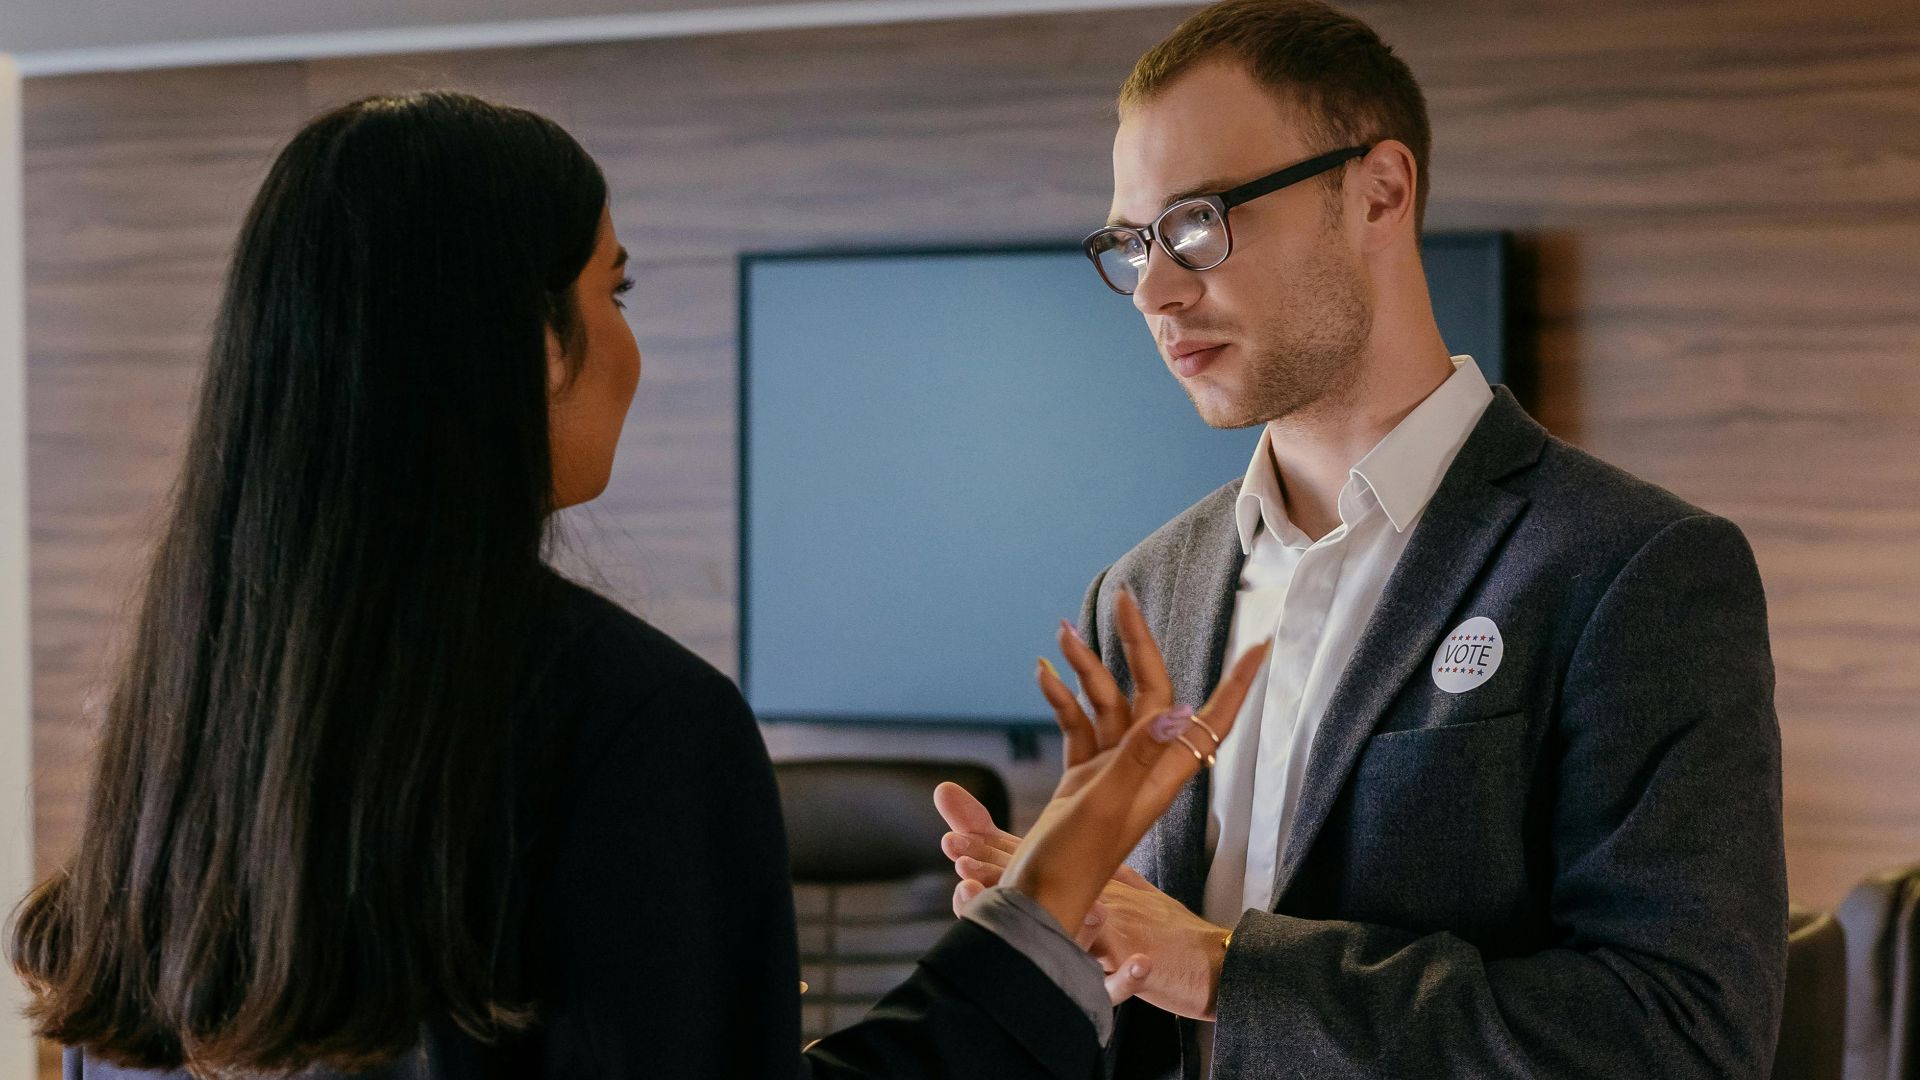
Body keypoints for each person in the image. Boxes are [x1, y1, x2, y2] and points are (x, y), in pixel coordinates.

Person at [7, 90, 1275, 1080]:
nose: (631, 345)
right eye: (611, 290)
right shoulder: (631, 725)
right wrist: (1051, 897)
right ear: (520, 344)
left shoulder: (172, 720)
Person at [938, 1, 1788, 1077]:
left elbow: (1684, 1036)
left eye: (1198, 220)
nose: (1153, 287)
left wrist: (1224, 968)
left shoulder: (1634, 570)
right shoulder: (1145, 593)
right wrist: (1048, 956)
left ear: (1379, 193)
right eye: (1133, 241)